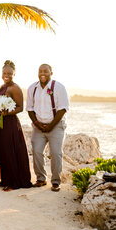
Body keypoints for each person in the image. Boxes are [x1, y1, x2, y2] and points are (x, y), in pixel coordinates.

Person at [0, 60, 32, 191]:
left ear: (14, 73)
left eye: (10, 73)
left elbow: (20, 107)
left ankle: (12, 181)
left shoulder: (15, 88)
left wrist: (7, 112)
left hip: (8, 124)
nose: (7, 75)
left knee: (8, 151)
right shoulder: (3, 86)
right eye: (4, 73)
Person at [27, 64, 69, 192]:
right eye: (40, 71)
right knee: (37, 151)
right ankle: (41, 178)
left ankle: (56, 181)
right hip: (38, 126)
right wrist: (37, 123)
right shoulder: (32, 88)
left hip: (56, 125)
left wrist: (51, 126)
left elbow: (62, 109)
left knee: (56, 153)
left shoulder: (59, 87)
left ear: (51, 72)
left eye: (45, 71)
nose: (42, 73)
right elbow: (29, 109)